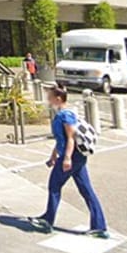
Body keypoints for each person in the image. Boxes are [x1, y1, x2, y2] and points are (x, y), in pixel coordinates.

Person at [30, 86, 108, 238]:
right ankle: (99, 226)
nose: (48, 100)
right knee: (86, 190)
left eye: (50, 97)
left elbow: (71, 138)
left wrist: (66, 158)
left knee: (54, 185)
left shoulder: (65, 116)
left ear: (58, 98)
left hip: (72, 156)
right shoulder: (65, 114)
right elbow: (61, 139)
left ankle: (47, 220)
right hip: (76, 157)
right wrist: (54, 155)